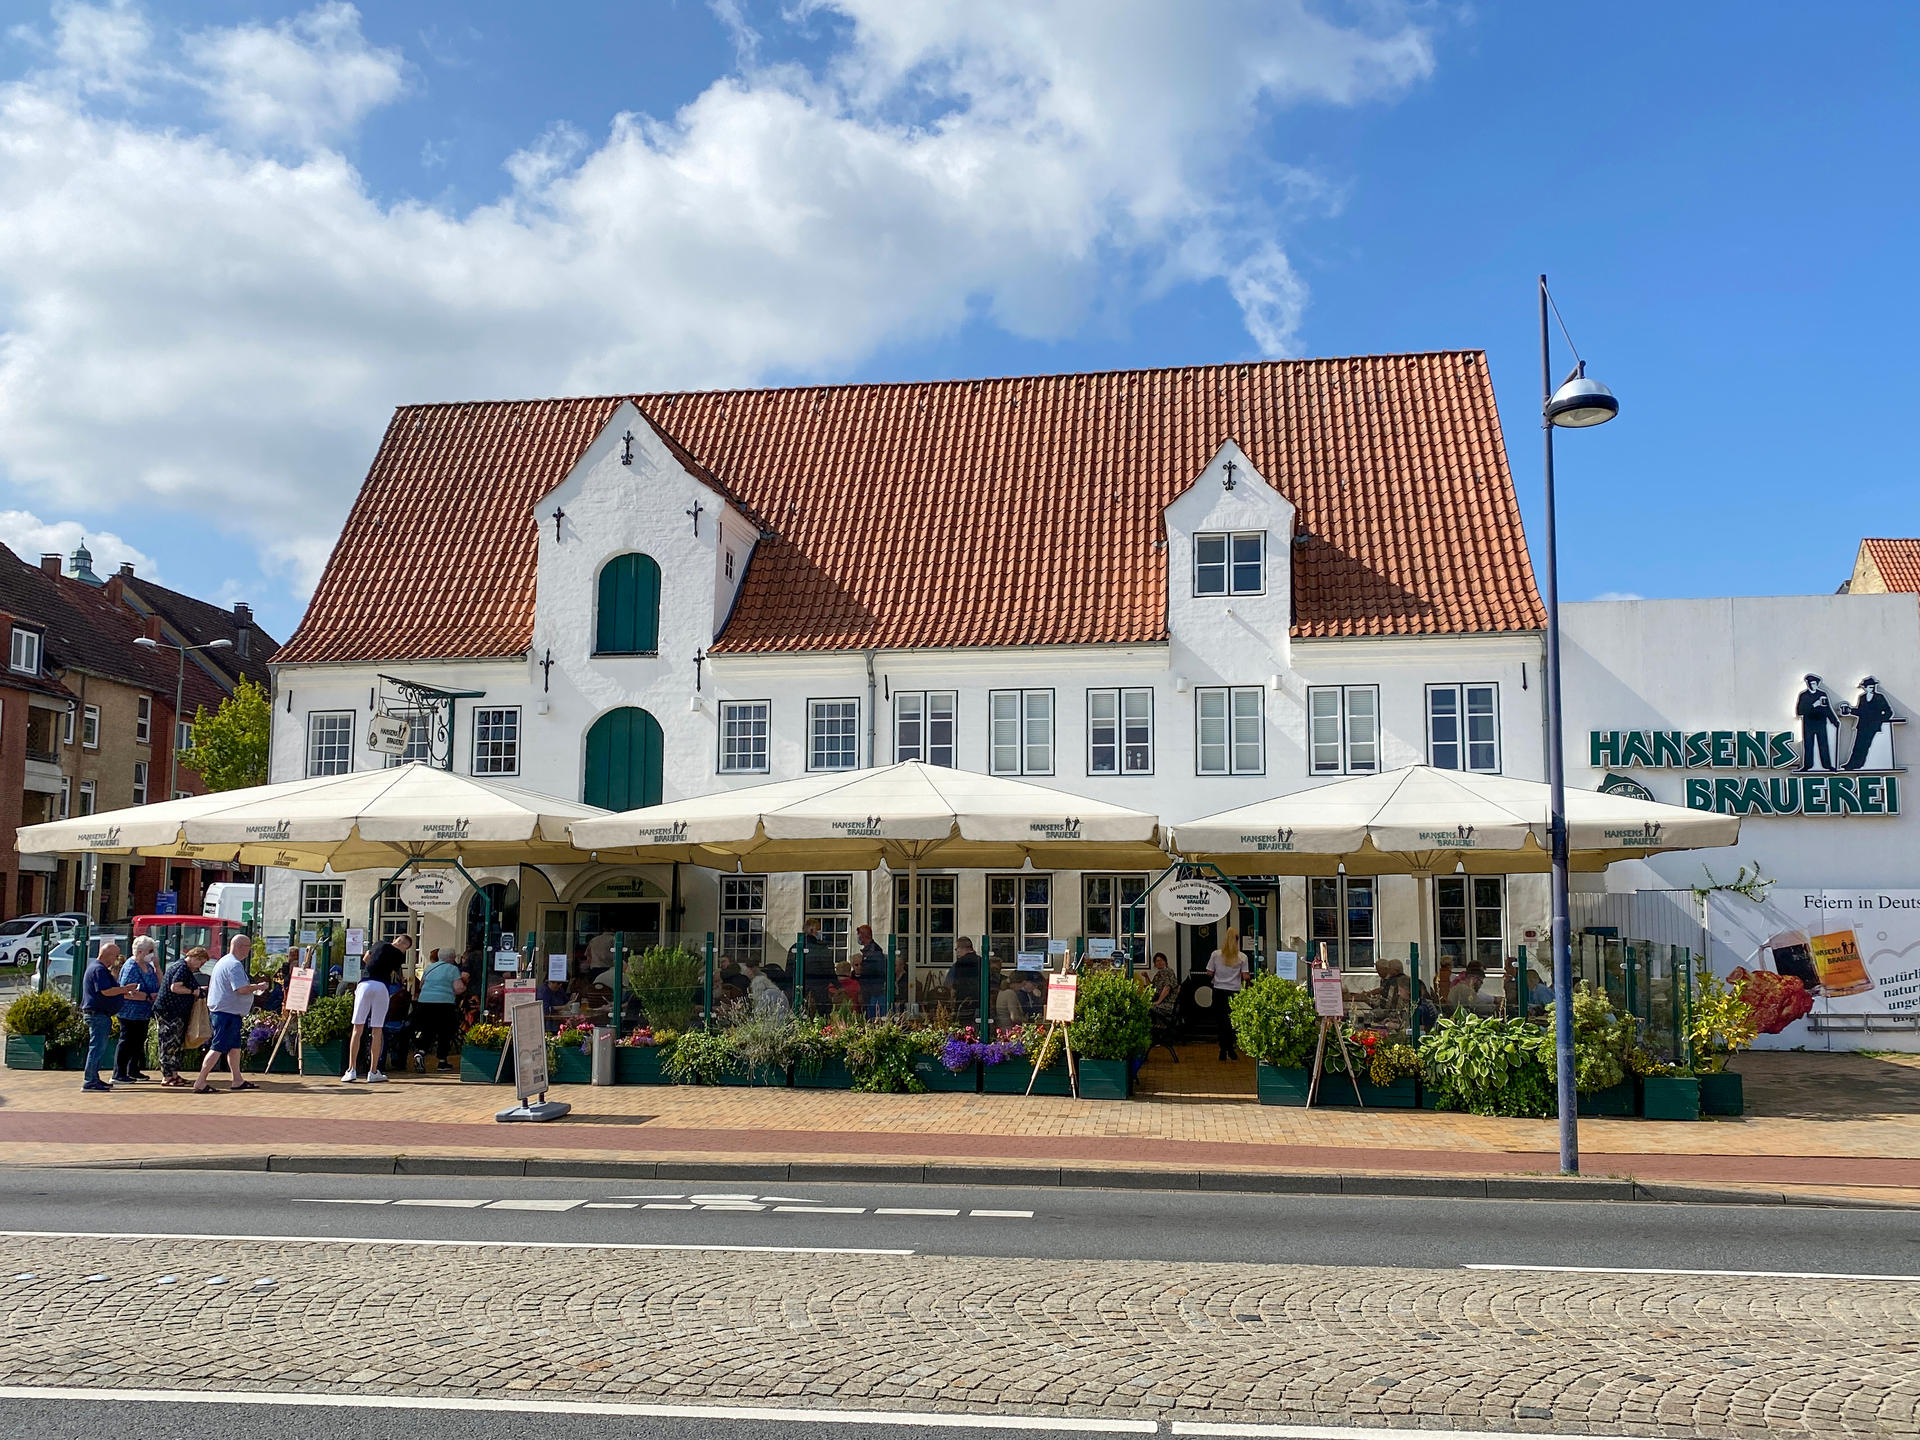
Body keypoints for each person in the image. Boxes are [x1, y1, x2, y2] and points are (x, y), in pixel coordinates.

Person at [193, 934, 269, 1094]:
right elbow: (241, 989)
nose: (249, 951)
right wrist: (258, 986)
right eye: (248, 947)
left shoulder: (224, 961)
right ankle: (200, 1082)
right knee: (218, 1047)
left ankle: (237, 1079)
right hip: (226, 1013)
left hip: (226, 1012)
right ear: (241, 947)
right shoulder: (234, 965)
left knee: (234, 1047)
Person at [343, 936, 405, 1083]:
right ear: (404, 946)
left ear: (396, 939)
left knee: (357, 1028)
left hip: (365, 984)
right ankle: (373, 1071)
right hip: (382, 986)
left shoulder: (379, 944)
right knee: (377, 1030)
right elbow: (396, 972)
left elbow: (365, 959)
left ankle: (351, 1070)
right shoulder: (399, 955)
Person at [79, 941, 135, 1092]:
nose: (116, 959)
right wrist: (124, 989)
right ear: (108, 955)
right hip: (97, 1014)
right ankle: (90, 1080)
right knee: (97, 1047)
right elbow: (106, 991)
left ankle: (93, 1078)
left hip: (99, 1014)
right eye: (115, 956)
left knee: (98, 1047)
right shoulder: (99, 969)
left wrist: (122, 991)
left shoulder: (96, 968)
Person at [155, 945, 209, 1088]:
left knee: (176, 1043)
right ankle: (167, 1076)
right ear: (195, 957)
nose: (200, 966)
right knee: (169, 1043)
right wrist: (193, 992)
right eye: (201, 962)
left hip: (176, 1012)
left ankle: (173, 1074)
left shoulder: (182, 967)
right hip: (170, 1012)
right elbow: (175, 987)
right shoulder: (182, 968)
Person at [113, 936, 161, 1084]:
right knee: (126, 1041)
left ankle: (133, 1069)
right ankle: (118, 1073)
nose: (152, 954)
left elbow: (160, 983)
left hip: (143, 1013)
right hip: (129, 1012)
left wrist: (158, 967)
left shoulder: (149, 967)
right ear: (140, 951)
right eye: (150, 951)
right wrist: (147, 996)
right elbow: (127, 992)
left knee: (138, 1042)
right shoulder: (131, 967)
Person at [411, 947, 467, 1073]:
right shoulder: (452, 969)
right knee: (445, 1032)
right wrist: (464, 986)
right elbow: (458, 988)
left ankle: (421, 1052)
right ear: (452, 958)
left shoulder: (429, 968)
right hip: (444, 1004)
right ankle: (442, 1061)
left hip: (424, 1003)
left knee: (427, 1029)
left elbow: (421, 985)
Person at [1206, 930, 1250, 1061]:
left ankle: (1222, 1049)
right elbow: (1245, 975)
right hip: (1234, 991)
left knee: (1220, 1021)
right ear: (1237, 941)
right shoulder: (1242, 957)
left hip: (1219, 990)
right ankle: (1231, 1049)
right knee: (1231, 1022)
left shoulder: (1216, 954)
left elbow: (1209, 972)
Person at [1841, 676, 1898, 771]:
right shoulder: (1862, 697)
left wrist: (1879, 720)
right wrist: (1850, 711)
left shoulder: (1879, 697)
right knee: (1857, 745)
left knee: (1866, 745)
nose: (1872, 688)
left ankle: (1860, 764)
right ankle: (1852, 764)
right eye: (1869, 686)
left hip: (1873, 726)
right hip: (1862, 725)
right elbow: (1861, 711)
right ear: (1865, 687)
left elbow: (1888, 712)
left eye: (1873, 686)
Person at [1794, 674, 1838, 772]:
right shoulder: (1804, 695)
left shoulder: (1822, 694)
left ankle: (1827, 765)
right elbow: (1800, 711)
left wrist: (1834, 721)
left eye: (1815, 683)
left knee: (1823, 743)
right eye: (1811, 683)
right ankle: (1807, 765)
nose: (1813, 685)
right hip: (1809, 724)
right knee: (1808, 744)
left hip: (1821, 723)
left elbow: (1828, 709)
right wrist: (1814, 705)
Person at [854, 924, 888, 1015]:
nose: (858, 937)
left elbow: (874, 971)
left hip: (872, 991)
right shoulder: (869, 950)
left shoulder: (873, 952)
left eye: (859, 934)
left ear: (863, 935)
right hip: (870, 990)